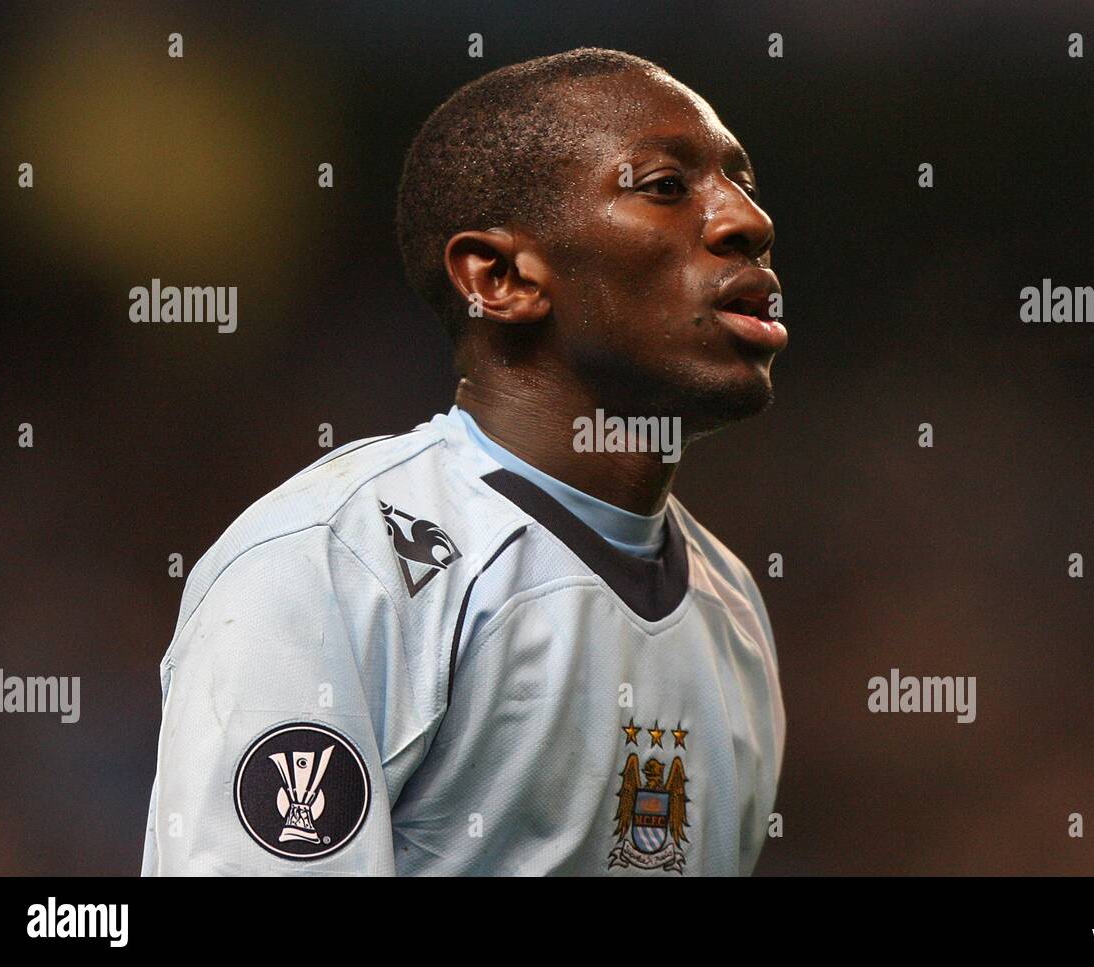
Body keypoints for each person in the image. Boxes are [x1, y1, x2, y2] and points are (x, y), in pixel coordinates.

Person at [141, 47, 787, 876]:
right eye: (666, 187)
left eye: (744, 185)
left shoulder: (730, 604)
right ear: (500, 277)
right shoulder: (332, 565)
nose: (746, 221)